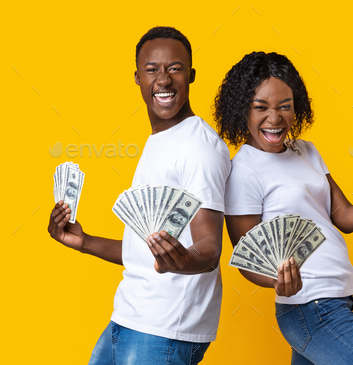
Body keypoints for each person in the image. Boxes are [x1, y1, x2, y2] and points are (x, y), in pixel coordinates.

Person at [214, 51, 353, 365]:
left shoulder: (306, 151)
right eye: (260, 107)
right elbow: (248, 257)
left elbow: (342, 216)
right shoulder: (244, 171)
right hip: (310, 306)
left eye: (284, 107)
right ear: (241, 110)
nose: (274, 119)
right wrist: (278, 280)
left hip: (339, 297)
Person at [48, 27, 231, 365]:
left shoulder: (199, 147)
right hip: (128, 316)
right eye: (152, 69)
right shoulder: (159, 140)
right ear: (137, 77)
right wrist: (84, 241)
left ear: (191, 75)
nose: (163, 79)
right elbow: (144, 253)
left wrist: (183, 260)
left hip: (165, 328)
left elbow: (209, 247)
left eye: (174, 68)